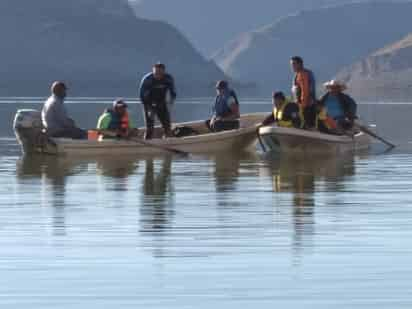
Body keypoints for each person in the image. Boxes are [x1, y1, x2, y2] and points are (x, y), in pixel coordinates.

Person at [139, 63, 176, 140]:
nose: (158, 75)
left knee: (167, 127)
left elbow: (173, 92)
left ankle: (167, 141)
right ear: (153, 72)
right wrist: (149, 108)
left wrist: (171, 100)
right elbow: (142, 96)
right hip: (148, 104)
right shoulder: (147, 79)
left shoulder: (168, 78)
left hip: (161, 103)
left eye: (160, 73)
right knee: (150, 128)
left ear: (164, 72)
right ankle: (147, 143)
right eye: (156, 73)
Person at [290, 56, 317, 129]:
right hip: (305, 106)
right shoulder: (299, 74)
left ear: (300, 64)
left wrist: (302, 106)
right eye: (291, 64)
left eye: (294, 64)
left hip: (305, 107)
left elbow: (305, 90)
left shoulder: (303, 74)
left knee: (306, 127)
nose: (292, 66)